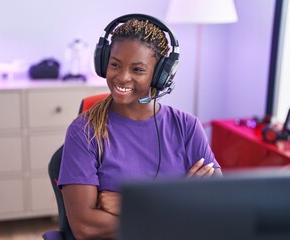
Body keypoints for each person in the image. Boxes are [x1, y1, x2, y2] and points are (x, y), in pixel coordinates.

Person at [57, 14, 222, 240]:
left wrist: (136, 207)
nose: (122, 77)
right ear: (104, 62)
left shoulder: (187, 127)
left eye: (138, 69)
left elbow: (217, 204)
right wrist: (180, 204)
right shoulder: (84, 131)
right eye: (115, 65)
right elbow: (85, 227)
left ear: (161, 76)